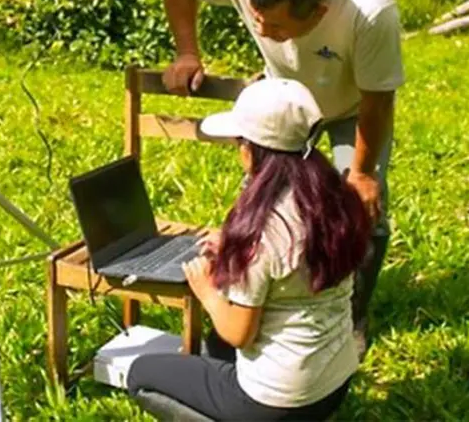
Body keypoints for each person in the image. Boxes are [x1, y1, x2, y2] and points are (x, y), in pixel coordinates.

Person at [159, 0, 403, 356]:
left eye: (275, 26)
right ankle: (257, 301)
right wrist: (186, 53)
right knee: (263, 205)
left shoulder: (370, 9)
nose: (261, 32)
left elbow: (377, 100)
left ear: (319, 14)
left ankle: (348, 318)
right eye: (256, 18)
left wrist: (362, 174)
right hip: (285, 105)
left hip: (353, 108)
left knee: (362, 212)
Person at [126, 78, 371, 421]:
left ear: (251, 148)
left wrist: (207, 290)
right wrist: (234, 245)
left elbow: (239, 334)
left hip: (275, 402)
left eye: (240, 141)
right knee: (211, 350)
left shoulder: (263, 230)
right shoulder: (336, 198)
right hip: (333, 384)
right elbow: (291, 255)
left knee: (140, 374)